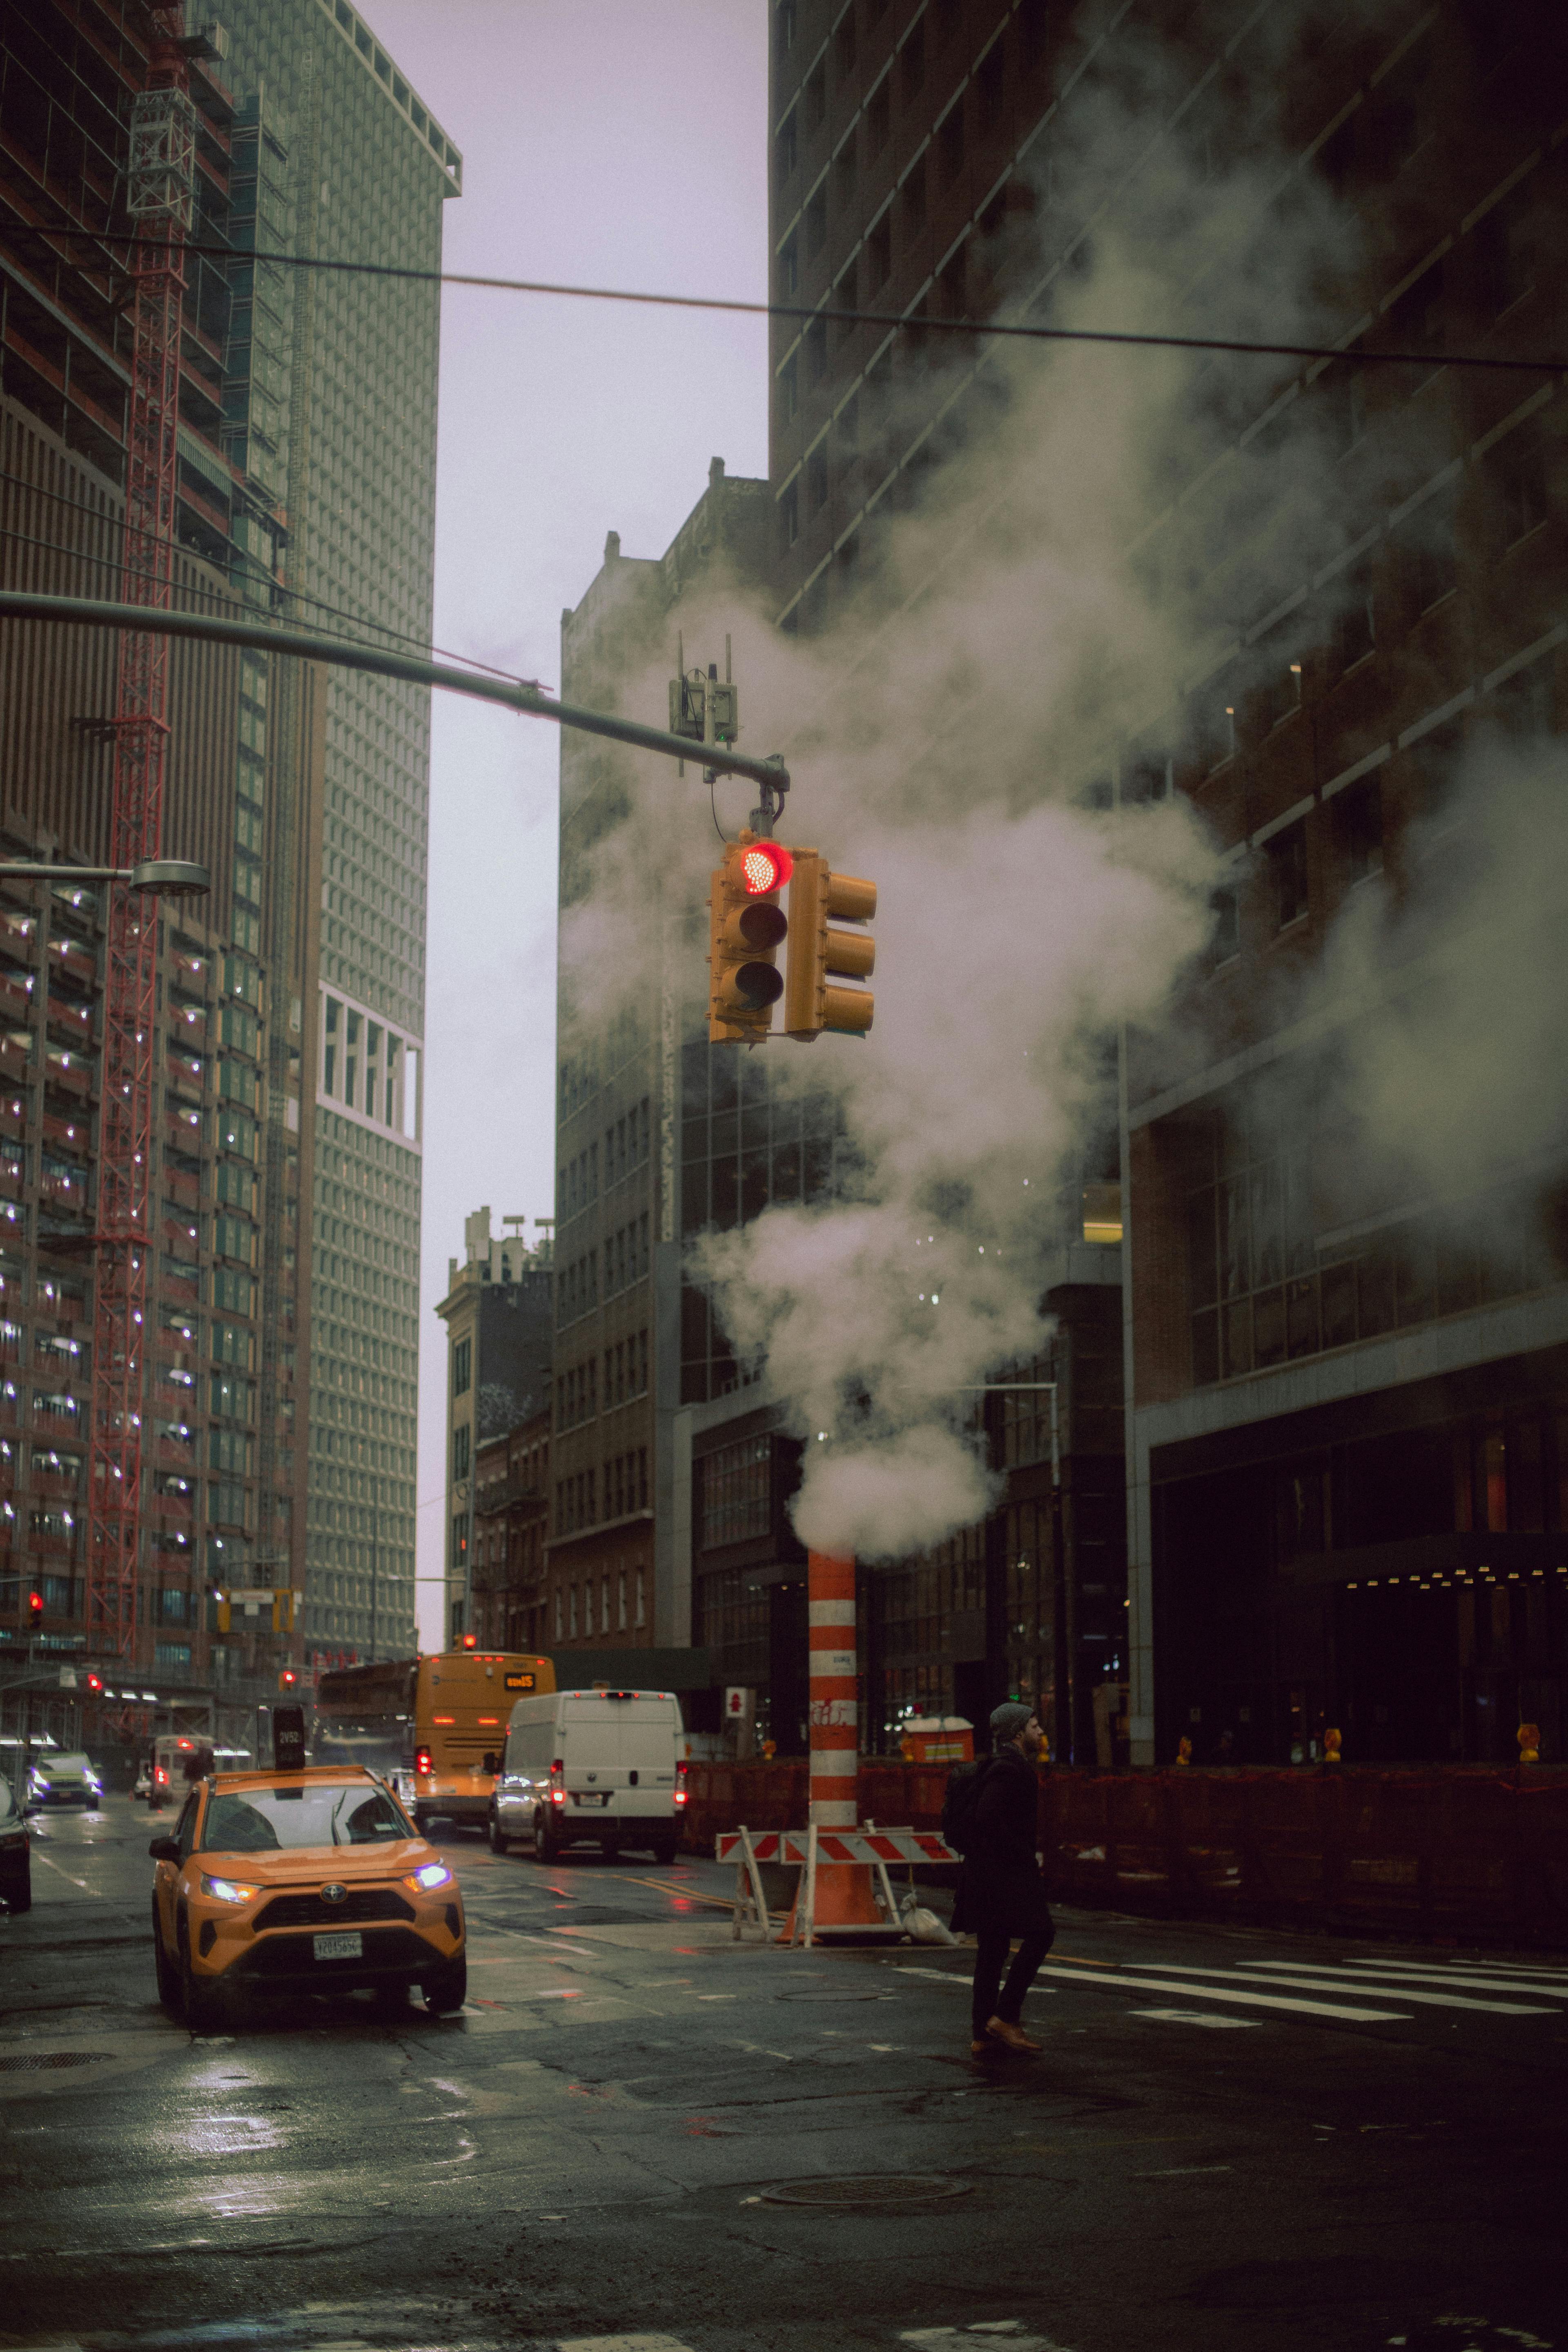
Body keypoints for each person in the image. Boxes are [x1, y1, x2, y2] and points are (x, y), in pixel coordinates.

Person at [951, 1701, 1055, 2056]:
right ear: (1017, 1733)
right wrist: (1022, 1855)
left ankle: (983, 2035)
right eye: (1035, 1726)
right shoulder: (1011, 1770)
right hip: (1003, 1875)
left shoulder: (1000, 1766)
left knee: (992, 1952)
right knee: (1042, 1934)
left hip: (984, 1875)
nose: (1040, 1732)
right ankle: (1006, 2017)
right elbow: (988, 1818)